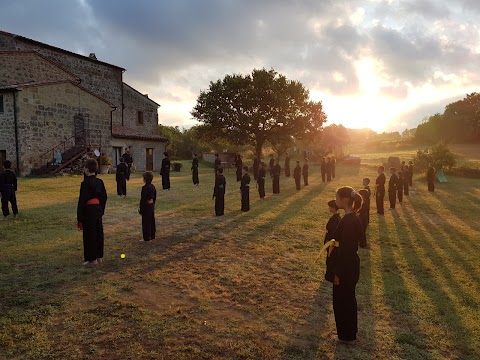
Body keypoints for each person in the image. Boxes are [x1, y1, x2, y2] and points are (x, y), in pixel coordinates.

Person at [331, 186, 363, 343]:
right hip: (349, 266)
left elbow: (346, 250)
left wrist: (338, 272)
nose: (335, 200)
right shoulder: (352, 218)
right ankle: (348, 334)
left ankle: (346, 336)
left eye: (337, 197)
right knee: (347, 300)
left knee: (343, 301)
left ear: (344, 200)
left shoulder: (350, 222)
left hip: (346, 267)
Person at [77, 159, 107, 266]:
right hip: (98, 209)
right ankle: (99, 257)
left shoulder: (85, 183)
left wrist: (80, 218)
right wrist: (101, 209)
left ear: (86, 169)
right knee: (98, 233)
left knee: (90, 234)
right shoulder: (100, 182)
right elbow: (104, 197)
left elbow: (82, 201)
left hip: (89, 210)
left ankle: (92, 259)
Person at [324, 200, 341, 283]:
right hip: (331, 243)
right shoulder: (337, 217)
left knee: (331, 260)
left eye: (330, 207)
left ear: (334, 208)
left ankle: (330, 275)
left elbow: (332, 232)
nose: (329, 208)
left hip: (332, 244)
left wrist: (328, 241)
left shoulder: (335, 219)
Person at [139, 171, 156, 242]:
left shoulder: (145, 188)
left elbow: (143, 199)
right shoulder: (153, 187)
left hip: (146, 206)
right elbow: (154, 197)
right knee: (151, 221)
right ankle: (152, 235)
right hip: (151, 205)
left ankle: (146, 237)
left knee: (146, 222)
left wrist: (141, 208)